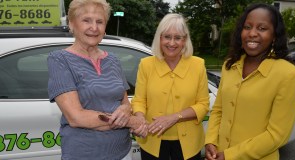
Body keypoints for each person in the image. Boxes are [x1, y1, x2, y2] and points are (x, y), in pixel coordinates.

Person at [204, 3, 295, 160]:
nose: (252, 33)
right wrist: (210, 141)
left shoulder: (290, 75)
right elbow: (218, 110)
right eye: (247, 27)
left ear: (275, 36)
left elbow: (277, 135)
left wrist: (229, 156)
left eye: (262, 28)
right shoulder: (230, 65)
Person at [47, 0, 145, 159]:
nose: (94, 27)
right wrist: (132, 122)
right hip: (85, 153)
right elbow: (76, 117)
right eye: (86, 20)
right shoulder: (59, 59)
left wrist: (126, 110)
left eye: (100, 21)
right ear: (72, 24)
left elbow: (124, 102)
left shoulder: (113, 60)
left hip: (122, 151)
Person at [131, 13, 210, 160]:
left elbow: (203, 104)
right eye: (167, 37)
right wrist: (140, 118)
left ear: (184, 40)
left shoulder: (198, 65)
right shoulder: (146, 65)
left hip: (189, 145)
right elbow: (139, 101)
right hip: (152, 141)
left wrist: (175, 117)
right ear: (159, 38)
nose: (172, 43)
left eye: (177, 38)